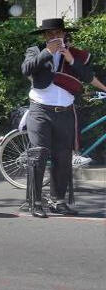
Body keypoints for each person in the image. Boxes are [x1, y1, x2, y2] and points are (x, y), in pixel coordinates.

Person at [22, 18, 94, 217]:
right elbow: (26, 69)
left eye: (58, 34)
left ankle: (58, 201)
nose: (55, 38)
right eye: (50, 34)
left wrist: (70, 59)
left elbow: (87, 75)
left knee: (63, 158)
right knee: (39, 154)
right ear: (44, 36)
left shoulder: (72, 53)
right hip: (40, 110)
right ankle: (35, 202)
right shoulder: (35, 50)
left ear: (64, 34)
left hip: (65, 112)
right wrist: (48, 52)